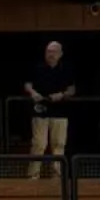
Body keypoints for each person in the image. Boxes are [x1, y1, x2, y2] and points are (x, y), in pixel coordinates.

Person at [24, 40, 75, 179]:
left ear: (60, 54)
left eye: (54, 52)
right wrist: (33, 93)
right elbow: (28, 84)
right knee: (39, 144)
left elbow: (72, 89)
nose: (50, 54)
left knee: (58, 144)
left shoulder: (66, 69)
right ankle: (33, 175)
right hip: (40, 110)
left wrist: (62, 95)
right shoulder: (37, 67)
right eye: (48, 51)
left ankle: (57, 176)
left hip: (60, 111)